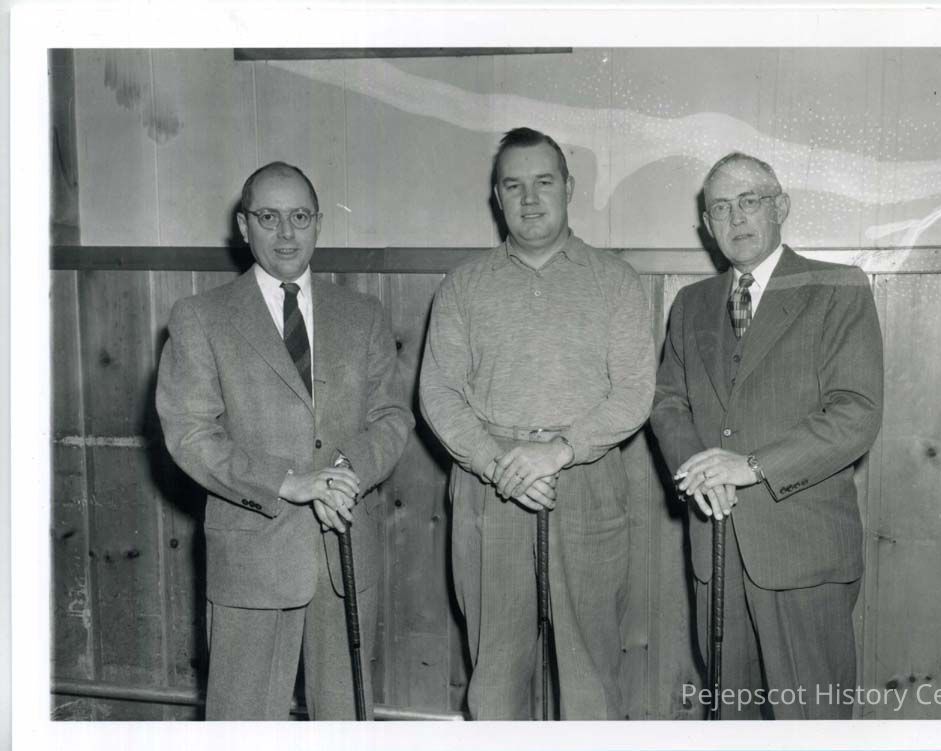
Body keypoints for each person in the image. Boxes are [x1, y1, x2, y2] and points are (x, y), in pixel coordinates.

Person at [156, 161, 413, 720]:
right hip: (253, 556)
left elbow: (392, 416)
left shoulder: (363, 315)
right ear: (243, 226)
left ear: (319, 223)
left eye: (299, 216)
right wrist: (287, 483)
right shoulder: (201, 318)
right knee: (244, 720)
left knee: (346, 718)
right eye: (268, 217)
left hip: (345, 547)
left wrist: (347, 473)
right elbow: (191, 433)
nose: (286, 233)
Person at [419, 127, 655, 720]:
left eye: (544, 182)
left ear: (568, 189)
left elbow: (634, 392)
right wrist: (498, 463)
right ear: (497, 197)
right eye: (513, 186)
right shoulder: (463, 286)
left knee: (591, 673)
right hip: (490, 488)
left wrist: (559, 451)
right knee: (495, 674)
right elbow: (438, 392)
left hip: (587, 482)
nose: (529, 199)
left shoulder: (615, 281)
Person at [650, 152, 883, 720]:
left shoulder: (838, 288)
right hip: (716, 547)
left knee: (810, 721)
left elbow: (856, 413)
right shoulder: (690, 304)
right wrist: (700, 470)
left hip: (803, 552)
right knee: (732, 718)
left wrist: (750, 466)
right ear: (706, 225)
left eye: (749, 201)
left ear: (781, 206)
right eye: (720, 208)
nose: (735, 218)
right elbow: (668, 402)